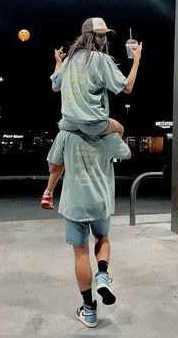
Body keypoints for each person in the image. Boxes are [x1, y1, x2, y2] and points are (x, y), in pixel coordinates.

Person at [41, 17, 142, 209]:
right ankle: (110, 152)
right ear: (90, 36)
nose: (104, 40)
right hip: (94, 124)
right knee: (119, 128)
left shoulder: (69, 60)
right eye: (100, 36)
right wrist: (136, 60)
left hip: (68, 124)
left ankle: (48, 192)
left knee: (55, 165)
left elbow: (55, 86)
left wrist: (58, 62)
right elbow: (127, 88)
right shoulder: (101, 60)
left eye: (105, 36)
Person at [46, 129, 131, 327]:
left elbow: (53, 166)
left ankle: (89, 310)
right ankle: (102, 274)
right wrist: (114, 129)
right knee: (102, 237)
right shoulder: (108, 134)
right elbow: (127, 154)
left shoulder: (65, 134)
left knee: (81, 253)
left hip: (75, 203)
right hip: (100, 202)